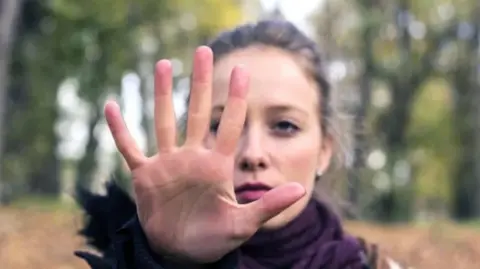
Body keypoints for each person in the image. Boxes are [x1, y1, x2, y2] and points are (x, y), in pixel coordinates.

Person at [74, 20, 405, 269]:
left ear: (324, 151)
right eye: (220, 125)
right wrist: (166, 261)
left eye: (285, 126)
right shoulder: (126, 259)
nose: (252, 154)